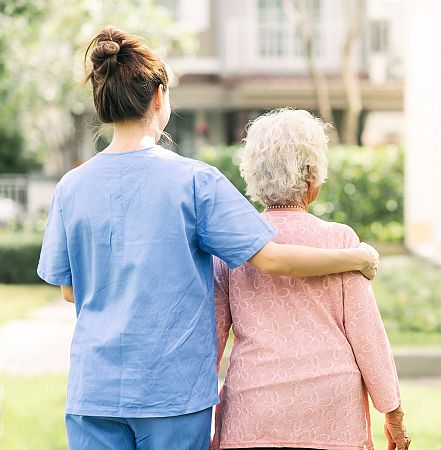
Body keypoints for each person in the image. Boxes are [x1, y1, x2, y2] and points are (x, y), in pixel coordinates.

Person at [36, 27, 380, 450]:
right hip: (173, 395)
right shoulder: (195, 181)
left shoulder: (71, 187)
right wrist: (355, 257)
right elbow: (271, 259)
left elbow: (70, 290)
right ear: (159, 98)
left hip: (94, 392)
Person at [212, 109, 410, 450]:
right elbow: (368, 337)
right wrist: (393, 414)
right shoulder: (341, 242)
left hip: (254, 408)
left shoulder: (232, 248)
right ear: (312, 176)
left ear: (253, 173)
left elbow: (209, 340)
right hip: (332, 411)